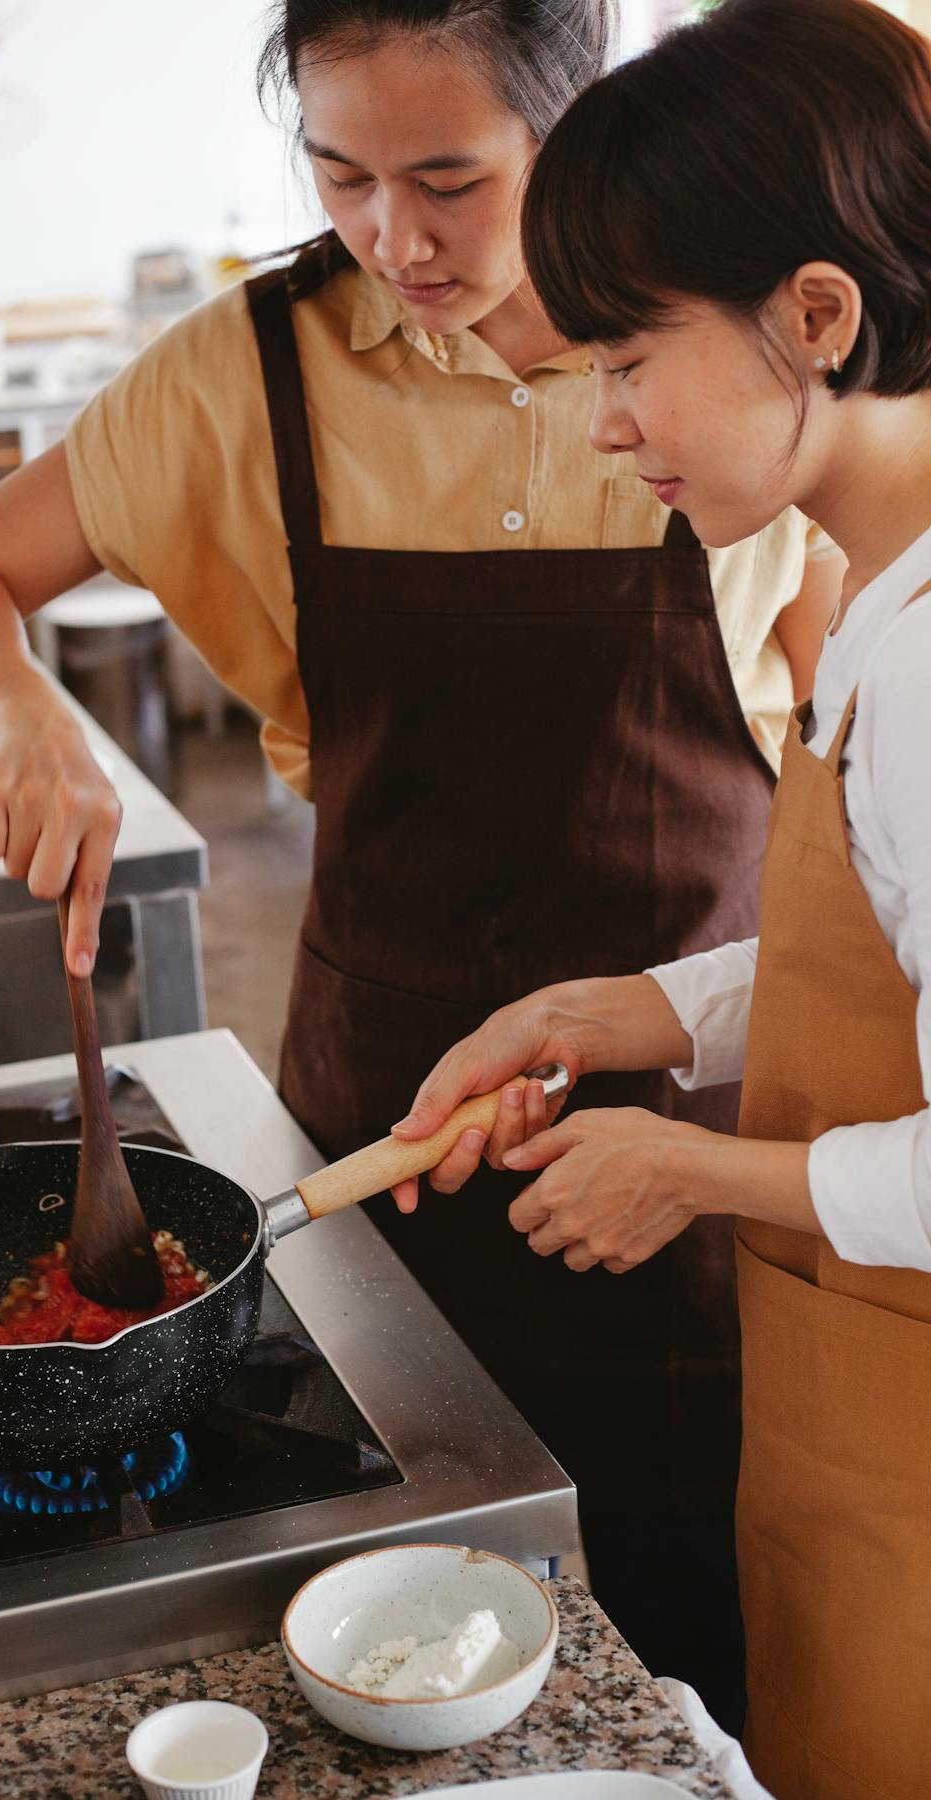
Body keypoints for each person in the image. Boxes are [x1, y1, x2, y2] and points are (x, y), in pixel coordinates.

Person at [0, 0, 841, 1716]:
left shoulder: (730, 363)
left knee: (697, 1637)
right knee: (386, 1646)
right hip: (385, 1113)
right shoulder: (249, 368)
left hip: (682, 1110)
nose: (394, 238)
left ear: (579, 129)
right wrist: (35, 724)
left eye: (451, 181)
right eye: (341, 176)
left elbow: (847, 753)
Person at [388, 0, 931, 1791]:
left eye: (627, 355)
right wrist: (645, 1014)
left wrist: (685, 1167)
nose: (607, 425)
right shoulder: (876, 600)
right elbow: (891, 955)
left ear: (820, 316)